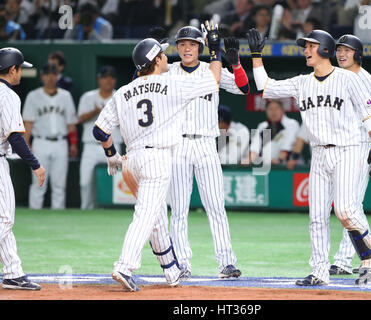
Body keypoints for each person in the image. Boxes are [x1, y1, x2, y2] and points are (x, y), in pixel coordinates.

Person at [246, 28, 371, 286]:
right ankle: (320, 272)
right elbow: (265, 87)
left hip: (349, 149)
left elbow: (369, 114)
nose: (306, 51)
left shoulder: (347, 79)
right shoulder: (302, 82)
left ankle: (370, 255)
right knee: (317, 216)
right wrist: (256, 56)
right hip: (319, 153)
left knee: (344, 210)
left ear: (323, 49)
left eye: (310, 46)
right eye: (305, 46)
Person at [93, 24, 222, 292]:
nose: (166, 57)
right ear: (155, 61)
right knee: (147, 215)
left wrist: (112, 155)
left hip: (132, 161)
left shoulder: (123, 91)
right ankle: (124, 266)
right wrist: (216, 52)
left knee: (157, 218)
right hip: (157, 158)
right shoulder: (171, 83)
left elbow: (99, 130)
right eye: (162, 54)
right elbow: (213, 79)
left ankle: (171, 270)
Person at [168, 26, 250, 280]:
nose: (187, 48)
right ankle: (181, 263)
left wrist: (235, 63)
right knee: (179, 209)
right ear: (178, 48)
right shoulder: (168, 71)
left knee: (216, 206)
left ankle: (226, 262)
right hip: (178, 144)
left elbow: (244, 88)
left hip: (206, 143)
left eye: (192, 44)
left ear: (200, 47)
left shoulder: (211, 70)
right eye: (182, 44)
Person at [330, 34, 371, 276]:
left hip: (363, 145)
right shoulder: (335, 77)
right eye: (339, 50)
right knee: (347, 206)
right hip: (340, 146)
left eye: (347, 50)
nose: (341, 54)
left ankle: (357, 258)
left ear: (358, 54)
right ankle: (346, 259)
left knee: (350, 205)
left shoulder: (369, 81)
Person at [0, 47, 45, 290]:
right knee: (3, 219)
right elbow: (15, 137)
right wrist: (36, 165)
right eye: (20, 68)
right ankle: (13, 273)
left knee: (1, 218)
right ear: (12, 69)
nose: (21, 73)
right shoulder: (8, 95)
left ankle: (13, 272)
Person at [22, 63, 78, 210]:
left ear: (58, 76)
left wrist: (73, 144)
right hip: (40, 142)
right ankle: (34, 213)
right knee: (38, 182)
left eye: (54, 74)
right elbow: (28, 122)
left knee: (59, 184)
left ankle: (57, 216)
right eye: (47, 74)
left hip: (60, 142)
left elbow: (71, 123)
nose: (51, 77)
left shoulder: (65, 96)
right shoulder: (33, 96)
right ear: (42, 77)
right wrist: (26, 142)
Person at [78, 65, 122, 210]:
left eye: (112, 77)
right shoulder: (88, 97)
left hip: (114, 144)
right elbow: (79, 119)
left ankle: (112, 212)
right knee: (85, 182)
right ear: (99, 79)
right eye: (105, 77)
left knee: (115, 181)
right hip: (91, 145)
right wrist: (96, 111)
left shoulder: (120, 96)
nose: (108, 80)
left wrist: (106, 113)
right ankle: (86, 209)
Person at [247, 99, 300, 166]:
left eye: (276, 108)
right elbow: (256, 146)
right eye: (270, 109)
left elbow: (288, 145)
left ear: (283, 110)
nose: (273, 111)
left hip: (288, 166)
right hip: (267, 165)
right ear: (266, 111)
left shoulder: (292, 124)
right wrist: (250, 159)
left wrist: (279, 160)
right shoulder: (263, 126)